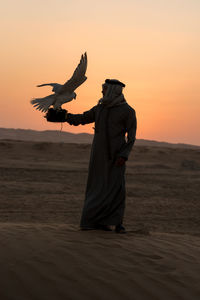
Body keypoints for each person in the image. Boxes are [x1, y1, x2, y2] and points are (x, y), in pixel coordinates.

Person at [46, 79, 137, 233]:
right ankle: (93, 222)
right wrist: (64, 116)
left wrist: (124, 155)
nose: (102, 92)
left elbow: (132, 137)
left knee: (116, 189)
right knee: (96, 188)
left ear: (113, 91)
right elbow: (82, 119)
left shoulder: (127, 111)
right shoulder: (100, 108)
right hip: (98, 156)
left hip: (116, 158)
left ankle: (116, 222)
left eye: (104, 89)